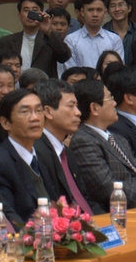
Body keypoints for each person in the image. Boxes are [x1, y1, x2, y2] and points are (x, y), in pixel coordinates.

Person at [69, 79, 136, 211]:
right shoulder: (83, 140)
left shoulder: (118, 138)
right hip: (123, 212)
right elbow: (106, 188)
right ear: (94, 108)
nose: (115, 103)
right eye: (110, 98)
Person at [0, 89, 57, 228]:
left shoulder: (43, 155)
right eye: (25, 112)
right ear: (5, 122)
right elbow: (11, 218)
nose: (35, 118)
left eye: (38, 110)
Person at [33, 79, 99, 215]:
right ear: (48, 112)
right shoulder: (37, 152)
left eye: (77, 106)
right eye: (71, 106)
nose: (78, 112)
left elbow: (85, 198)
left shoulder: (66, 152)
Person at [0, 0, 71, 77]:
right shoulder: (7, 41)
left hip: (43, 84)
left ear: (41, 14)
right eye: (26, 10)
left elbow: (64, 57)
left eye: (34, 10)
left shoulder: (50, 38)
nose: (30, 14)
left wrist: (48, 31)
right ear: (19, 15)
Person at [64, 0, 124, 71]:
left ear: (105, 12)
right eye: (90, 10)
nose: (95, 14)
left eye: (99, 10)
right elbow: (71, 70)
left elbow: (118, 69)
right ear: (82, 12)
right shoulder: (71, 40)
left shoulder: (114, 40)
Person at [103, 0, 136, 64]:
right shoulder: (103, 32)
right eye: (113, 6)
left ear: (129, 8)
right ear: (108, 10)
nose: (117, 9)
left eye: (120, 5)